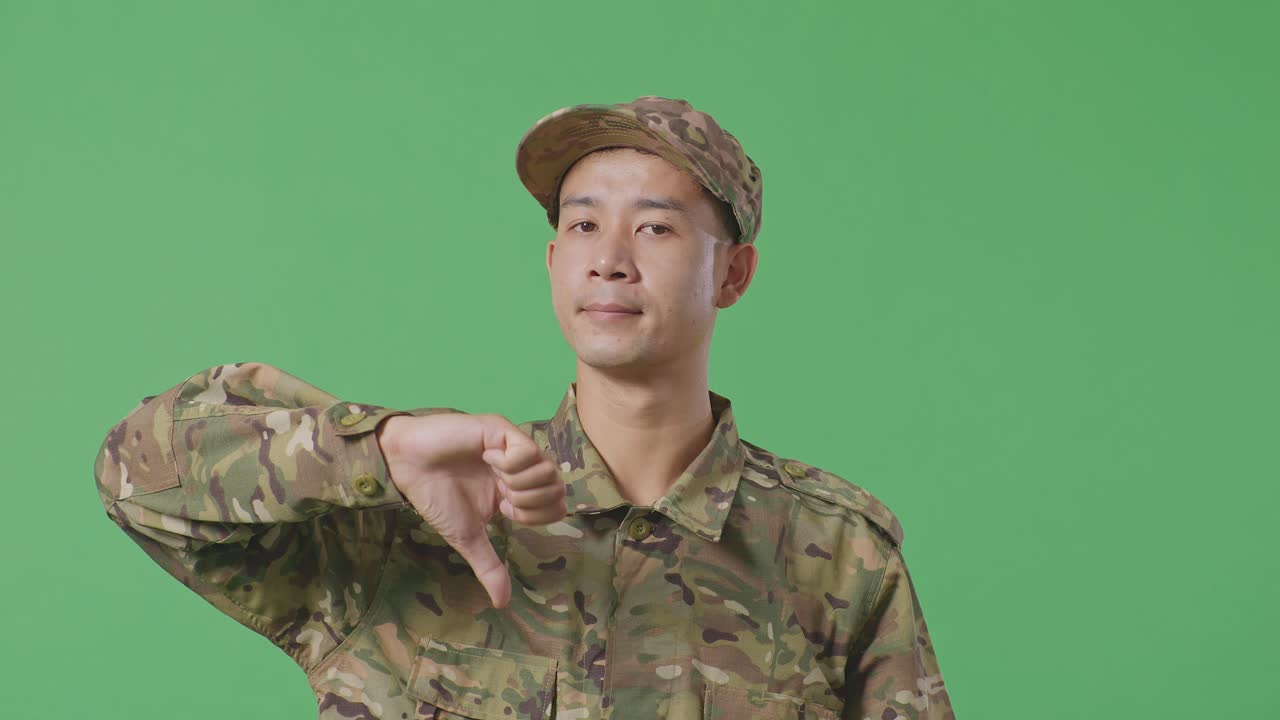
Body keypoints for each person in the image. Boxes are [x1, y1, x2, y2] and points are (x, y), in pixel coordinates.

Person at [93, 95, 955, 720]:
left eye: (655, 228)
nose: (609, 259)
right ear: (551, 264)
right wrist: (380, 454)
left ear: (733, 274)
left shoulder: (836, 556)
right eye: (583, 226)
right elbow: (136, 469)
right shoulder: (419, 514)